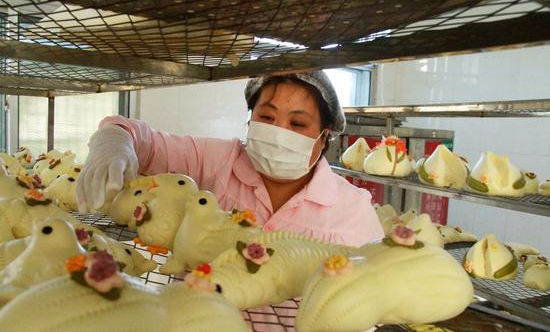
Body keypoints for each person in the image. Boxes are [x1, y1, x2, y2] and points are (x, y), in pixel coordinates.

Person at [76, 71, 383, 247]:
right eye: (266, 116)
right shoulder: (216, 160)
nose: (278, 132)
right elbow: (140, 138)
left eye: (298, 124)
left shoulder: (353, 210)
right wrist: (113, 143)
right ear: (251, 118)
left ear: (324, 135)